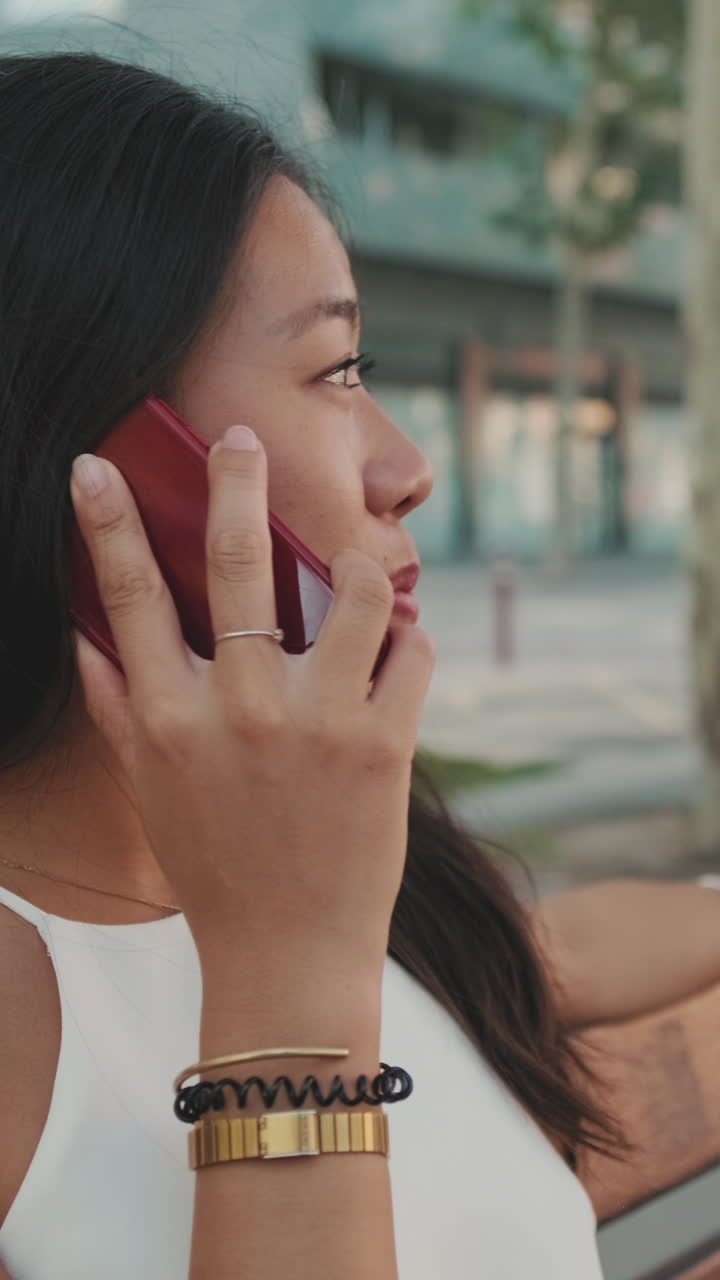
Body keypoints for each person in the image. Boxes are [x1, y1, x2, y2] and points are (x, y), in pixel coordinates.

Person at [2, 51, 720, 1280]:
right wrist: (285, 975)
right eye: (336, 373)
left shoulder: (312, 853)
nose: (406, 467)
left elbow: (557, 954)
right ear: (112, 462)